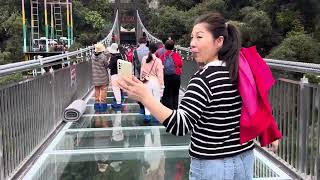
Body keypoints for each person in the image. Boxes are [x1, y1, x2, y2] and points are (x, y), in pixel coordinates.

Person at [117, 12, 255, 180]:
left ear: (219, 41)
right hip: (244, 159)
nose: (192, 44)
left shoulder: (204, 79)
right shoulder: (242, 70)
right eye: (192, 38)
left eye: (199, 37)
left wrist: (146, 98)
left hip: (212, 166)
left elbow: (180, 125)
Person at [140, 42, 164, 122]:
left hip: (146, 81)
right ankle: (156, 116)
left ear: (149, 49)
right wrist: (162, 86)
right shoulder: (158, 60)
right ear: (156, 50)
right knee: (156, 100)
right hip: (155, 81)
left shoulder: (144, 58)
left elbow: (142, 71)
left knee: (147, 99)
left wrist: (141, 80)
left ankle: (147, 116)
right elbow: (160, 75)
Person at [160, 39, 183, 110]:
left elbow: (161, 67)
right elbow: (180, 64)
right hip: (176, 76)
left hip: (166, 77)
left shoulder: (162, 56)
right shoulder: (176, 55)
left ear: (165, 47)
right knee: (175, 93)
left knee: (167, 93)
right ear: (173, 47)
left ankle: (168, 109)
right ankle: (175, 108)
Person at [133, 37, 149, 114]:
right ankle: (148, 108)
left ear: (139, 43)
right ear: (146, 43)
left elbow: (134, 63)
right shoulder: (149, 50)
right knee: (147, 91)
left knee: (140, 91)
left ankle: (141, 108)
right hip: (147, 75)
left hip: (138, 74)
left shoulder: (135, 51)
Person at [91, 43, 109, 112]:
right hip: (103, 76)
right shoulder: (103, 57)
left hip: (95, 76)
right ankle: (103, 105)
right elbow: (106, 66)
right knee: (103, 90)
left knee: (97, 90)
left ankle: (97, 104)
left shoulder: (92, 56)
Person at [107, 43, 123, 109]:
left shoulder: (113, 58)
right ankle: (119, 101)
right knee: (118, 88)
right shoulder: (120, 56)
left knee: (115, 88)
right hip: (120, 74)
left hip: (114, 75)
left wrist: (108, 63)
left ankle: (118, 103)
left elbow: (110, 67)